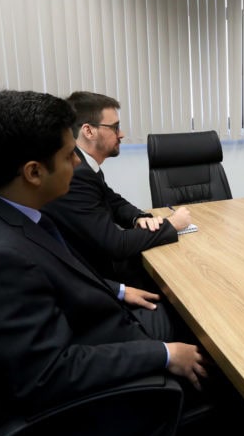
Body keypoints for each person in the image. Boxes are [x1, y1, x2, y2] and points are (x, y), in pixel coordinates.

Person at [0, 90, 207, 436]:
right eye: (69, 155)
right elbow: (50, 373)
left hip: (101, 329)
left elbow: (52, 274)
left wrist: (117, 290)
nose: (78, 163)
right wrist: (163, 354)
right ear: (34, 172)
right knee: (214, 346)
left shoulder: (3, 213)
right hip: (106, 401)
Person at [43, 91, 192, 288]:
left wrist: (138, 217)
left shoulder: (86, 166)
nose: (121, 134)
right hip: (99, 280)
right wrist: (171, 224)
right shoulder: (77, 173)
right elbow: (115, 244)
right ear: (89, 131)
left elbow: (112, 200)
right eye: (115, 127)